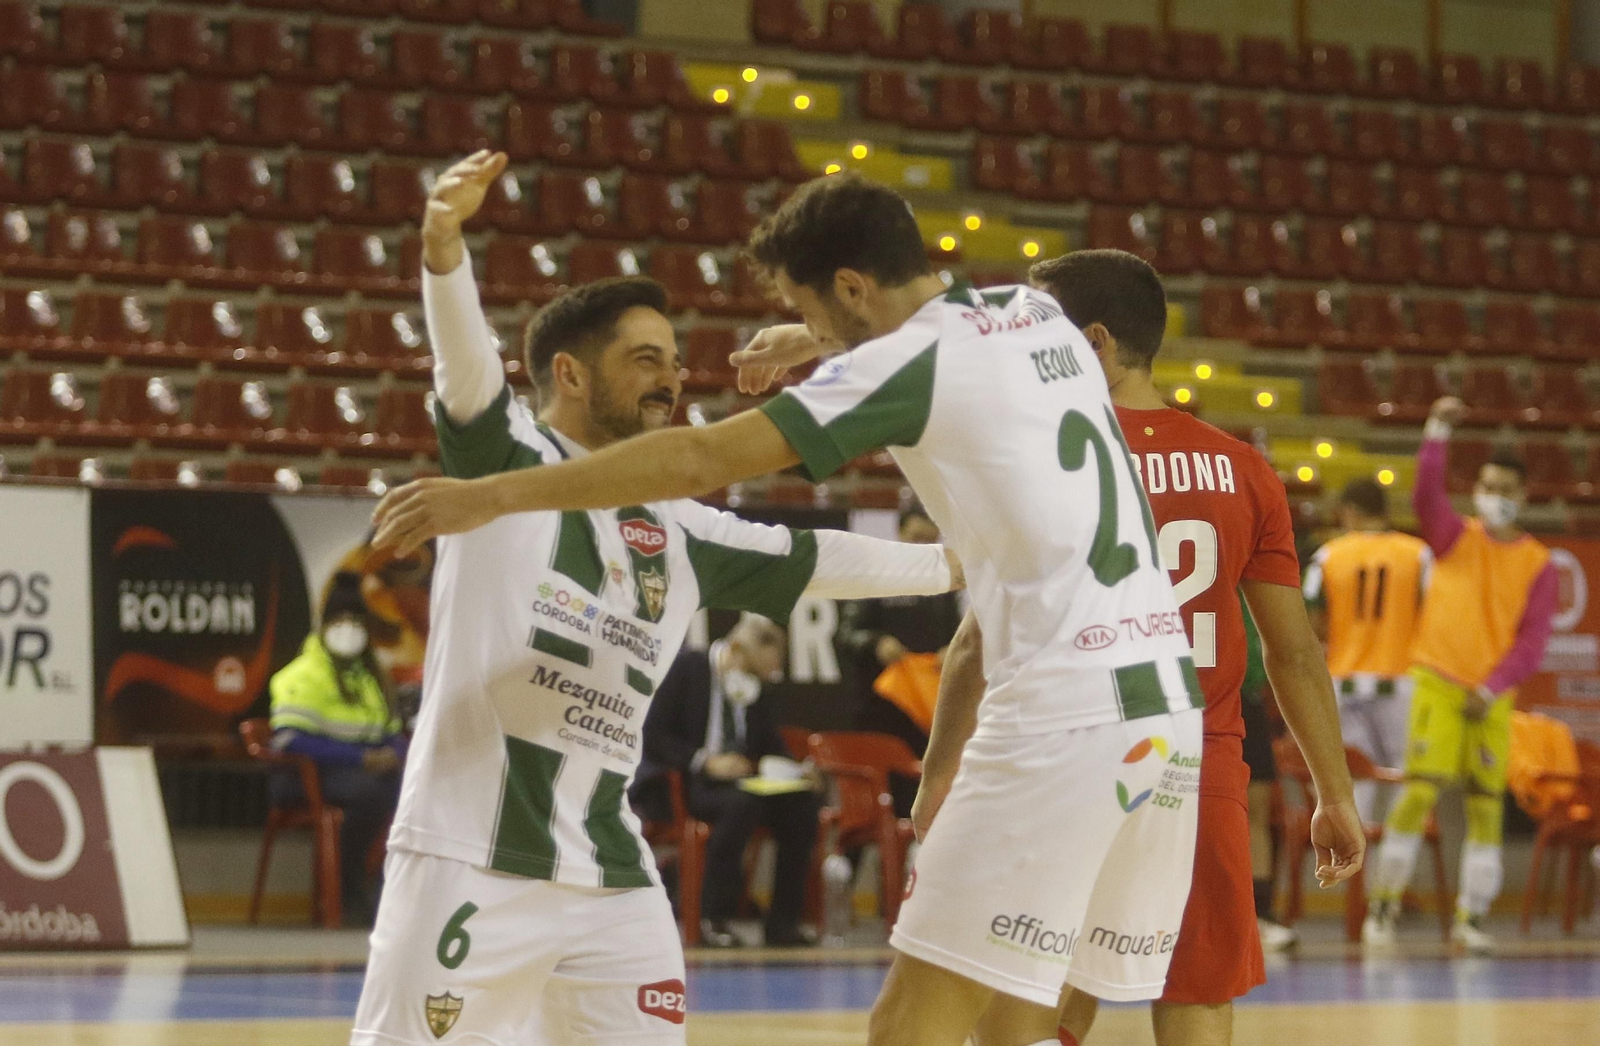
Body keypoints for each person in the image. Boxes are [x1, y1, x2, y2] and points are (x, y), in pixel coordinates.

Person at [371, 172, 1285, 1046]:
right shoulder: (1037, 309)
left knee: (908, 1023)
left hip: (1063, 714)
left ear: (850, 285)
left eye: (811, 307)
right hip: (1166, 709)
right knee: (1016, 1014)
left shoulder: (901, 367)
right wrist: (815, 339)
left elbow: (699, 462)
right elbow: (946, 328)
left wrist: (496, 495)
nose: (806, 325)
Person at [348, 153, 961, 1046]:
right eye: (645, 362)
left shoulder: (680, 528)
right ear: (570, 375)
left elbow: (819, 556)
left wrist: (967, 562)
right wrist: (444, 250)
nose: (672, 381)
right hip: (466, 859)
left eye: (674, 362)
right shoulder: (508, 465)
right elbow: (465, 360)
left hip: (610, 875)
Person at [944, 248, 1356, 1046]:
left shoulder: (1045, 456)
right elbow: (1295, 653)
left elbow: (974, 639)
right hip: (1198, 763)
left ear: (1093, 343)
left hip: (1073, 759)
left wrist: (941, 776)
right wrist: (1333, 795)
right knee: (1196, 989)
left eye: (1039, 334)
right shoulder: (1245, 470)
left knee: (1045, 989)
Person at [1364, 397, 1558, 952]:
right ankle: (1383, 908)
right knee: (1419, 792)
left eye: (1504, 489)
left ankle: (1470, 918)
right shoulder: (1454, 537)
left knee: (1485, 805)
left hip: (1491, 695)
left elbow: (1533, 641)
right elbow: (1426, 494)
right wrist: (1437, 431)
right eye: (1487, 486)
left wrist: (1491, 688)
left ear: (1522, 496)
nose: (1494, 497)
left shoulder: (1537, 563)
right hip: (1438, 681)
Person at [635, 614, 821, 947]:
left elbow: (768, 742)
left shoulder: (756, 688)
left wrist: (796, 772)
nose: (759, 681)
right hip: (688, 785)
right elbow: (653, 734)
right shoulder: (686, 669)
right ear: (734, 650)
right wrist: (705, 762)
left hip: (741, 786)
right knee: (741, 805)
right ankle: (713, 920)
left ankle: (783, 924)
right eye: (753, 671)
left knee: (802, 806)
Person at [269, 570, 406, 927]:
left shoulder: (371, 678)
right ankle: (348, 890)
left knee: (411, 790)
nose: (348, 628)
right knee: (373, 793)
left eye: (355, 620)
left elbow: (390, 731)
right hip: (307, 776)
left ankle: (386, 892)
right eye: (339, 619)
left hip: (364, 773)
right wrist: (360, 758)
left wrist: (396, 754)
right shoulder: (299, 675)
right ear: (325, 624)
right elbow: (288, 739)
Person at [1303, 479, 1431, 824]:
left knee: (1353, 778)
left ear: (1351, 511)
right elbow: (1434, 616)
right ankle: (1393, 871)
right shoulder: (1417, 554)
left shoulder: (1329, 555)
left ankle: (1355, 869)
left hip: (1344, 680)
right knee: (1406, 777)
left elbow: (1310, 618)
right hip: (1402, 680)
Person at [836, 506, 963, 814]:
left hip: (927, 713)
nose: (922, 547)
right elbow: (845, 634)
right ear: (900, 535)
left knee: (927, 795)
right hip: (878, 709)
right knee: (878, 802)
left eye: (930, 540)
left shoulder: (945, 584)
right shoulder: (876, 576)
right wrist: (876, 643)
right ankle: (854, 859)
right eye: (916, 538)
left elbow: (962, 636)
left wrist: (952, 650)